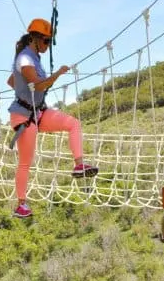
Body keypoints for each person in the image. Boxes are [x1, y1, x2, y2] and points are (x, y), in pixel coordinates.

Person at [6, 18, 98, 218]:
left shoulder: (33, 58)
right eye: (46, 41)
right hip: (24, 116)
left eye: (49, 41)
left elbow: (12, 81)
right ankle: (21, 204)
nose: (48, 45)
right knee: (25, 162)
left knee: (73, 124)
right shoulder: (25, 59)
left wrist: (25, 92)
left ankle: (79, 164)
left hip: (37, 111)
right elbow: (39, 85)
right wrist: (56, 75)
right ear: (35, 38)